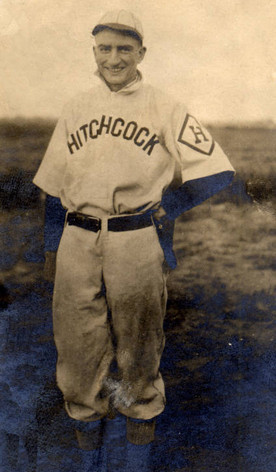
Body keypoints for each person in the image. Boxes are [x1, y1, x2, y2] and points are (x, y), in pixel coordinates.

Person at [33, 10, 235, 447]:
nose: (114, 58)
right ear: (94, 51)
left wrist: (171, 206)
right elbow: (52, 187)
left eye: (125, 48)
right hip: (78, 237)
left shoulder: (165, 105)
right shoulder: (75, 106)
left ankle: (136, 463)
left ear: (141, 52)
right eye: (105, 48)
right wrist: (52, 248)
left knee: (139, 344)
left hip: (135, 235)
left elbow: (217, 170)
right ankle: (88, 451)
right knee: (76, 343)